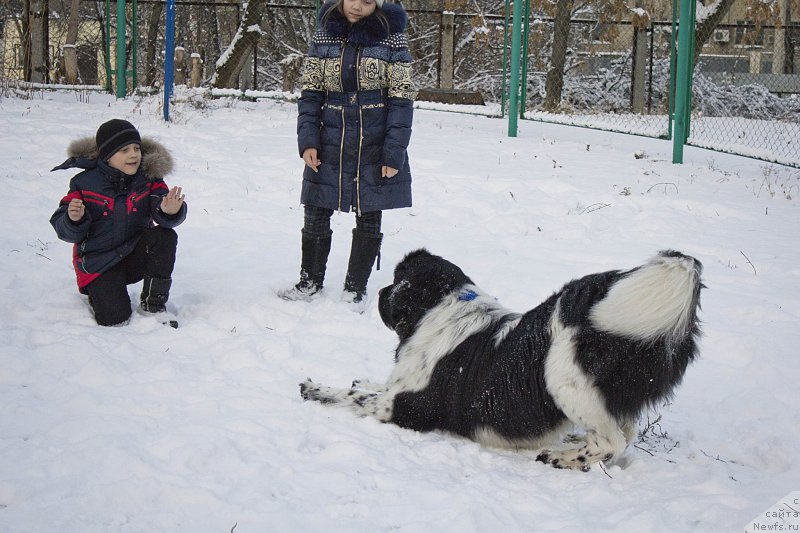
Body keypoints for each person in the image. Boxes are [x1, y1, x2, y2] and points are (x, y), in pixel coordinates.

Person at [282, 0, 417, 305]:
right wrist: (308, 140)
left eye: (368, 1)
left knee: (369, 210)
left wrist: (392, 152)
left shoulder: (392, 38)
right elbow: (311, 93)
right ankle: (309, 281)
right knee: (316, 206)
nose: (358, 6)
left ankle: (355, 288)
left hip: (374, 141)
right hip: (329, 138)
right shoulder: (324, 36)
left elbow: (402, 99)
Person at [50, 119, 187, 327]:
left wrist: (168, 211)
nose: (133, 154)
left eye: (136, 148)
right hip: (100, 263)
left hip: (133, 253)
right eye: (124, 150)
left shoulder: (148, 177)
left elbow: (160, 203)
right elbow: (64, 228)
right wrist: (73, 219)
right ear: (106, 155)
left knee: (164, 236)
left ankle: (153, 306)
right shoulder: (83, 183)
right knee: (114, 318)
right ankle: (102, 293)